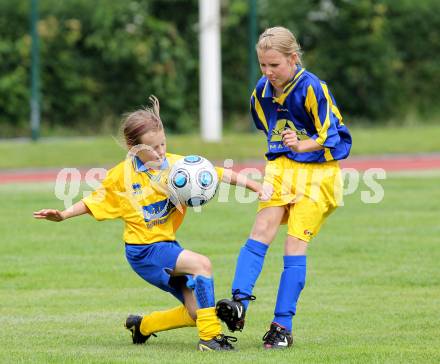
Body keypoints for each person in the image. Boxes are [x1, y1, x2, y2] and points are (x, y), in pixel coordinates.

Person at [33, 95, 270, 352]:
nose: (160, 152)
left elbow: (215, 173)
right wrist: (63, 214)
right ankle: (210, 339)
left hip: (166, 245)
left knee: (196, 312)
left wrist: (254, 185)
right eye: (153, 148)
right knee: (203, 265)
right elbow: (92, 201)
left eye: (163, 144)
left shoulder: (176, 166)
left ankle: (143, 326)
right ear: (133, 148)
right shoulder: (121, 177)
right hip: (144, 250)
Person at [215, 26, 352, 349]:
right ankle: (238, 303)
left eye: (274, 65)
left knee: (293, 246)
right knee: (262, 228)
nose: (268, 72)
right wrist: (288, 149)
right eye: (263, 65)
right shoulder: (261, 92)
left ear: (293, 59)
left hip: (318, 174)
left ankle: (282, 327)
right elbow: (270, 132)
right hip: (281, 168)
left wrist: (302, 145)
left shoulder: (313, 87)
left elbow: (337, 138)